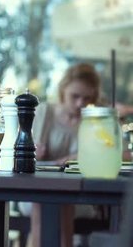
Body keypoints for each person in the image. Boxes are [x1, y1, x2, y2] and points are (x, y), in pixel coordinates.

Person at [26, 63, 130, 247]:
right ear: (63, 90)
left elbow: (124, 155)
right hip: (36, 188)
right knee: (46, 199)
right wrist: (32, 152)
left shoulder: (98, 120)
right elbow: (22, 153)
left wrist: (84, 156)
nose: (80, 103)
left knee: (61, 199)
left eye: (87, 98)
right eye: (75, 96)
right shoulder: (43, 113)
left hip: (82, 194)